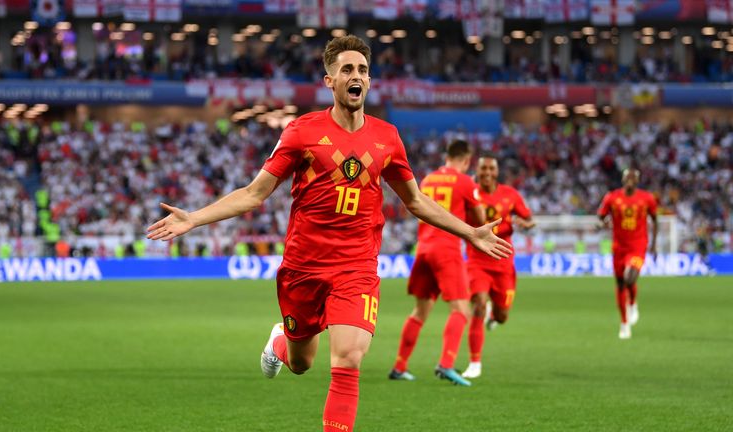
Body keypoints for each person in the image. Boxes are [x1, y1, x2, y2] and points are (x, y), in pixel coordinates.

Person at [146, 35, 512, 432]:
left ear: (369, 81)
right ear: (330, 81)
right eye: (347, 70)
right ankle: (281, 342)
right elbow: (254, 194)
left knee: (349, 358)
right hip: (304, 266)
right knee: (303, 363)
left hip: (356, 265)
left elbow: (417, 201)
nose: (356, 76)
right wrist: (194, 218)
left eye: (363, 70)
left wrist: (470, 233)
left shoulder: (387, 138)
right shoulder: (302, 132)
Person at [389, 140, 484, 387]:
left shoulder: (428, 179)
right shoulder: (465, 182)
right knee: (461, 310)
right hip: (447, 250)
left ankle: (400, 366)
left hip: (424, 249)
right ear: (466, 160)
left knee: (420, 312)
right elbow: (480, 219)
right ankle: (447, 363)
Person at [462, 153, 534, 379]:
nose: (487, 173)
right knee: (479, 306)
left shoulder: (510, 195)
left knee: (502, 316)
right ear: (478, 170)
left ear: (497, 171)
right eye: (483, 169)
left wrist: (525, 224)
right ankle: (475, 362)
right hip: (477, 261)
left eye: (491, 169)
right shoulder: (469, 192)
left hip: (503, 262)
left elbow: (529, 219)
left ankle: (495, 315)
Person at [597, 168, 657, 340]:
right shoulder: (612, 197)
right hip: (619, 247)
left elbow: (655, 219)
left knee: (630, 277)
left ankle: (632, 302)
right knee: (621, 284)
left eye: (633, 177)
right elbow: (601, 216)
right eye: (627, 177)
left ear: (637, 181)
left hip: (638, 245)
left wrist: (653, 245)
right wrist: (602, 223)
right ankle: (624, 324)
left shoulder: (647, 198)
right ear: (622, 180)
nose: (630, 180)